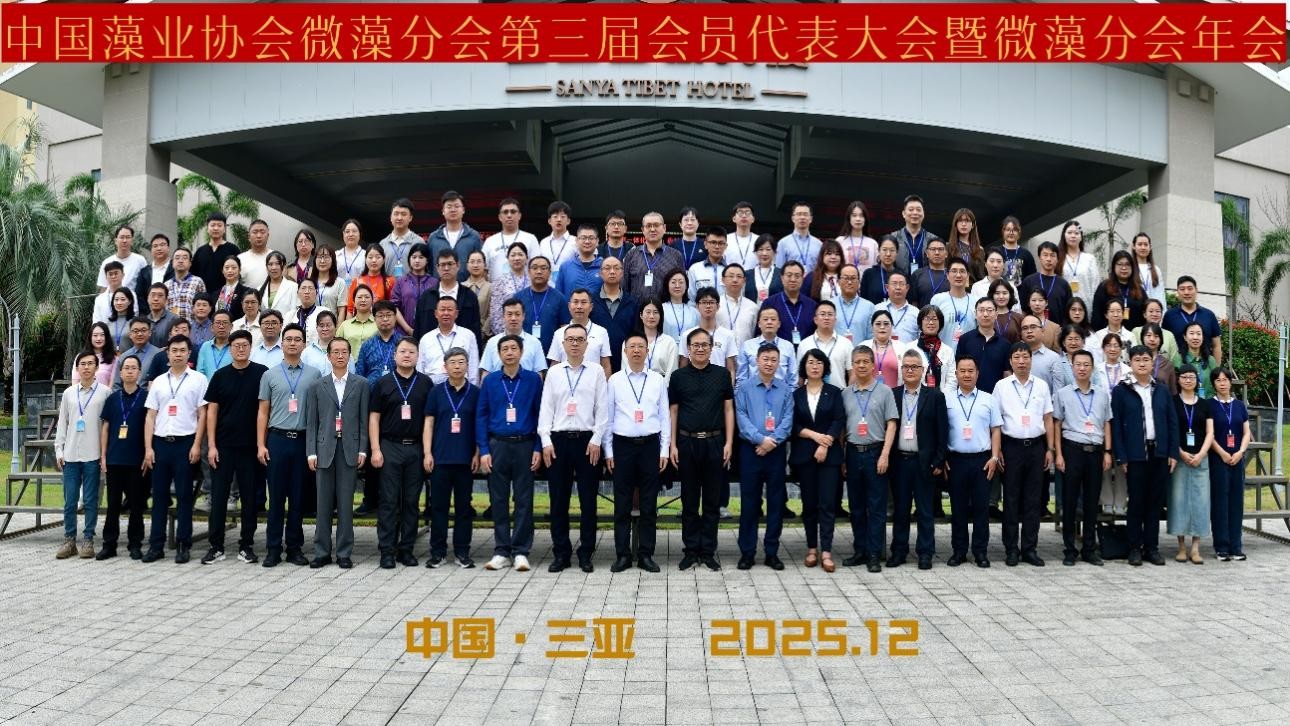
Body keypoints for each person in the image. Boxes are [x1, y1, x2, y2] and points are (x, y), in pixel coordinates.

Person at [539, 325, 610, 573]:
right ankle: (561, 553)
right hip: (558, 442)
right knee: (558, 501)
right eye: (571, 340)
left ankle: (586, 553)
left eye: (580, 340)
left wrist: (597, 438)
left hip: (587, 442)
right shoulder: (554, 372)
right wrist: (545, 441)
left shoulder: (596, 371)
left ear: (587, 344)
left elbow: (602, 408)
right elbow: (546, 409)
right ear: (563, 344)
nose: (575, 344)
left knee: (588, 501)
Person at [603, 333, 671, 572]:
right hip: (622, 447)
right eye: (631, 346)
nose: (636, 350)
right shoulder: (615, 380)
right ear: (625, 351)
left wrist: (664, 450)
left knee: (649, 504)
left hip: (650, 447)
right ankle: (622, 555)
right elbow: (608, 418)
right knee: (622, 504)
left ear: (647, 351)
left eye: (641, 346)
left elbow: (664, 416)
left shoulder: (657, 380)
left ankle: (646, 554)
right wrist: (608, 451)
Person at [669, 328, 735, 572]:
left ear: (711, 348)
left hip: (715, 442)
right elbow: (673, 411)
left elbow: (728, 409)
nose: (699, 349)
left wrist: (729, 443)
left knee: (711, 501)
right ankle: (690, 550)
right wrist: (672, 444)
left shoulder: (722, 375)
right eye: (695, 345)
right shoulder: (678, 377)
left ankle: (707, 551)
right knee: (688, 501)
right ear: (688, 349)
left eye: (704, 345)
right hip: (686, 443)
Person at [476, 335, 543, 572]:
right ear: (499, 354)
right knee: (499, 500)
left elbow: (540, 415)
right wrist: (484, 450)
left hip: (525, 445)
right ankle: (502, 551)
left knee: (524, 500)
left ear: (521, 352)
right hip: (498, 445)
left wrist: (538, 447)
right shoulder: (491, 381)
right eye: (505, 349)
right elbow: (481, 415)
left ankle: (521, 551)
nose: (510, 352)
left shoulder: (533, 380)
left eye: (514, 348)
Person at [201, 329, 268, 565]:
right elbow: (212, 412)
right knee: (219, 498)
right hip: (223, 446)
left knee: (249, 499)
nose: (240, 349)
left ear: (250, 348)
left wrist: (261, 444)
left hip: (250, 447)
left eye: (244, 345)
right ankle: (216, 546)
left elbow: (264, 410)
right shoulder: (220, 376)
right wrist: (211, 446)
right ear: (230, 349)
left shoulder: (261, 373)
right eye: (236, 345)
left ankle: (246, 545)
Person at [255, 324, 320, 568]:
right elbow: (263, 412)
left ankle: (294, 548)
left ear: (304, 344)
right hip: (277, 440)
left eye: (297, 339)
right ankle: (273, 549)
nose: (293, 343)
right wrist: (261, 445)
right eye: (289, 339)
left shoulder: (314, 374)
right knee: (276, 498)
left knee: (297, 498)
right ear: (282, 344)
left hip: (302, 441)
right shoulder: (269, 375)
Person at [1110, 344, 1180, 566]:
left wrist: (1172, 452)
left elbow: (1172, 422)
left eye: (1146, 360)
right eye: (1137, 360)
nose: (1142, 363)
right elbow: (1116, 427)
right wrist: (1121, 456)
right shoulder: (1122, 391)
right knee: (1136, 502)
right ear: (1130, 363)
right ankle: (1134, 548)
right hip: (1135, 455)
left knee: (1154, 503)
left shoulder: (1161, 389)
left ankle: (1152, 548)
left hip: (1159, 453)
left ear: (1153, 363)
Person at [141, 335, 208, 563]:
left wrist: (197, 444)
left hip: (185, 443)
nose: (178, 354)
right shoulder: (159, 381)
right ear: (167, 354)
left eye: (182, 350)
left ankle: (183, 545)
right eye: (174, 350)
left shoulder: (199, 380)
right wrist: (148, 448)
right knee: (159, 497)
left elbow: (202, 414)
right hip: (160, 444)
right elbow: (150, 416)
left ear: (189, 353)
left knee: (184, 496)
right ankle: (156, 546)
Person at [367, 338, 432, 569]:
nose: (407, 355)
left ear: (417, 356)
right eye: (402, 351)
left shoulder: (425, 383)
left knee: (411, 502)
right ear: (395, 355)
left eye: (411, 352)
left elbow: (429, 421)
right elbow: (373, 419)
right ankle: (387, 550)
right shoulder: (383, 383)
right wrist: (375, 449)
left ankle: (406, 549)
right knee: (389, 501)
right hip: (389, 446)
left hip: (415, 447)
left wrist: (427, 452)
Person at [733, 342, 794, 570]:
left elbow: (788, 420)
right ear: (757, 361)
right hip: (751, 451)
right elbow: (741, 417)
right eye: (765, 359)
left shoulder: (785, 390)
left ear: (778, 363)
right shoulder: (744, 388)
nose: (769, 363)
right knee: (750, 503)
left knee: (775, 504)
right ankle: (747, 552)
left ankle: (772, 552)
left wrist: (771, 442)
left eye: (773, 360)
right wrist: (760, 440)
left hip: (776, 452)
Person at [995, 342, 1055, 567]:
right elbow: (996, 421)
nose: (1021, 361)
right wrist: (997, 450)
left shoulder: (1041, 386)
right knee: (1011, 499)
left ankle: (1030, 548)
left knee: (1033, 500)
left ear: (1031, 360)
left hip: (1036, 447)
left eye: (1025, 357)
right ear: (1010, 361)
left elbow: (1048, 418)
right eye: (1017, 357)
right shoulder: (1001, 386)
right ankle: (1011, 549)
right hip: (1011, 447)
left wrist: (1050, 449)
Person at [420, 347, 480, 569]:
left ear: (467, 366)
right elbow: (428, 424)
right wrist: (427, 453)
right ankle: (438, 553)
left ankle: (462, 552)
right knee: (438, 508)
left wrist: (477, 453)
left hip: (465, 460)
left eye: (461, 362)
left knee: (464, 509)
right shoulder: (436, 392)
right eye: (452, 362)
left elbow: (479, 425)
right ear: (445, 367)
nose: (457, 366)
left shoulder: (475, 393)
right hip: (440, 459)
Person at [840, 344, 898, 572]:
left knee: (876, 507)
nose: (862, 365)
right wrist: (843, 457)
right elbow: (842, 429)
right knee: (856, 506)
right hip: (853, 453)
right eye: (857, 362)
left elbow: (891, 424)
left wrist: (885, 454)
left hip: (876, 452)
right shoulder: (846, 394)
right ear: (852, 366)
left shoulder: (885, 392)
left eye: (866, 361)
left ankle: (874, 553)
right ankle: (860, 551)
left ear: (873, 365)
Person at [1052, 349, 1113, 567]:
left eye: (1086, 365)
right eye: (1078, 364)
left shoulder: (1102, 394)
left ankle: (1089, 548)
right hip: (1072, 450)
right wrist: (1058, 454)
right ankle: (1070, 549)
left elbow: (1107, 423)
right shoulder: (1063, 394)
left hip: (1095, 451)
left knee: (1091, 502)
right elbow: (1057, 424)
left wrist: (1108, 451)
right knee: (1069, 502)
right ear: (1072, 367)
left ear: (1092, 368)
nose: (1082, 368)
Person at [889, 350, 948, 570]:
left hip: (924, 463)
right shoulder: (893, 395)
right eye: (906, 366)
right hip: (900, 462)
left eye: (914, 366)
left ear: (923, 370)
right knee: (901, 510)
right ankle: (899, 551)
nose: (910, 370)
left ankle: (925, 553)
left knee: (925, 510)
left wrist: (938, 461)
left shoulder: (935, 396)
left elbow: (943, 432)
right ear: (901, 370)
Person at [789, 349, 845, 572]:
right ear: (804, 366)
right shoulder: (796, 395)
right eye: (811, 362)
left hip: (829, 456)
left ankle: (827, 551)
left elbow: (839, 420)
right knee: (809, 504)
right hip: (805, 456)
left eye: (819, 363)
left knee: (828, 504)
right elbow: (793, 425)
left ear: (825, 367)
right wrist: (814, 436)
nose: (815, 366)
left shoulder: (834, 392)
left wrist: (825, 443)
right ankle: (812, 548)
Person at [944, 355, 1003, 567]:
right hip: (956, 460)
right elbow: (941, 430)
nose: (967, 374)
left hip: (982, 461)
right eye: (962, 371)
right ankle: (959, 551)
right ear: (956, 374)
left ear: (977, 374)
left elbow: (996, 430)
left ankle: (980, 552)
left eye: (971, 371)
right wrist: (943, 457)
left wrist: (994, 457)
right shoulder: (946, 399)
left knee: (981, 509)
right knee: (958, 508)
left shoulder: (989, 399)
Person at [54, 351, 111, 560]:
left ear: (96, 367)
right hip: (70, 455)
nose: (86, 367)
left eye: (90, 364)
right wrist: (59, 449)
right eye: (82, 364)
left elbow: (107, 426)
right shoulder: (69, 393)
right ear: (77, 369)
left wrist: (104, 454)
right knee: (70, 501)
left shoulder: (105, 393)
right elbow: (62, 423)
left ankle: (88, 539)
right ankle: (69, 540)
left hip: (93, 455)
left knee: (90, 500)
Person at [96, 355, 149, 560]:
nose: (129, 371)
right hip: (114, 459)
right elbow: (106, 427)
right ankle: (109, 545)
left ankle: (135, 544)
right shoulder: (112, 398)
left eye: (133, 368)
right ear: (120, 372)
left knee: (136, 505)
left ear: (139, 372)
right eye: (126, 368)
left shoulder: (146, 397)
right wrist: (103, 455)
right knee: (113, 505)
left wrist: (147, 452)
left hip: (136, 461)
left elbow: (150, 427)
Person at [1169, 364, 1212, 565]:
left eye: (1192, 377)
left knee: (1200, 502)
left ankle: (1195, 547)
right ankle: (1181, 546)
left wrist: (1201, 454)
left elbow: (1210, 432)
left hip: (1201, 459)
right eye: (1184, 377)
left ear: (1197, 380)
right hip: (1179, 458)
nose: (1188, 380)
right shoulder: (1173, 402)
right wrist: (1181, 452)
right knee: (1179, 500)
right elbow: (1170, 430)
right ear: (1178, 380)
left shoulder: (1205, 404)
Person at [1209, 367, 1250, 562]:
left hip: (1237, 459)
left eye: (1225, 379)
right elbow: (1210, 435)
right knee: (1220, 503)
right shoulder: (1210, 405)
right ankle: (1222, 547)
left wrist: (1240, 452)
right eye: (1218, 380)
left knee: (1236, 503)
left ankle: (1236, 546)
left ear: (1231, 382)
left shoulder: (1239, 405)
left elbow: (1246, 432)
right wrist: (1223, 453)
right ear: (1214, 384)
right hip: (1219, 459)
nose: (1222, 383)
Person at [414, 250, 482, 343]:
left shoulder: (469, 296)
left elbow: (476, 330)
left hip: (462, 348)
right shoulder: (426, 297)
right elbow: (418, 329)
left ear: (458, 266)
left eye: (450, 264)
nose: (446, 268)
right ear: (437, 268)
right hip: (433, 348)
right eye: (442, 265)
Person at [548, 289, 612, 378]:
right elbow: (554, 364)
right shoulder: (559, 333)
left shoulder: (601, 332)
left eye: (583, 302)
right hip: (565, 384)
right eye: (575, 302)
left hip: (593, 384)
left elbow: (606, 365)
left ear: (591, 307)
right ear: (569, 306)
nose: (579, 306)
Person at [591, 256, 640, 372]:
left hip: (625, 363)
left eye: (616, 268)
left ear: (622, 273)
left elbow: (636, 333)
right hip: (596, 363)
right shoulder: (591, 301)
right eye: (607, 268)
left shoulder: (632, 302)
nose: (612, 272)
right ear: (600, 273)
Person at [480, 297, 548, 379]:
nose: (513, 318)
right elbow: (486, 373)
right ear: (503, 316)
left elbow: (539, 374)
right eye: (509, 314)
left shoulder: (534, 343)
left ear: (523, 316)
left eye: (517, 314)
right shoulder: (492, 342)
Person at [625, 211, 685, 300]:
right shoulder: (631, 254)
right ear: (642, 229)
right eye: (648, 226)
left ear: (664, 228)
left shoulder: (676, 256)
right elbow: (625, 287)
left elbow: (682, 287)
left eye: (656, 225)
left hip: (666, 308)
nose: (652, 229)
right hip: (636, 308)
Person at [683, 287, 739, 381]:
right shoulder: (687, 335)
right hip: (693, 385)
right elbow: (683, 366)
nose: (708, 306)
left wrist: (730, 388)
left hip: (719, 385)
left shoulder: (728, 335)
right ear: (697, 306)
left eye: (711, 302)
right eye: (704, 302)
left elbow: (731, 369)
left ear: (718, 306)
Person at [426, 191, 484, 281]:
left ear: (463, 210)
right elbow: (429, 267)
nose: (453, 210)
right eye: (449, 207)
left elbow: (480, 265)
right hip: (439, 287)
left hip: (467, 287)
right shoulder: (434, 238)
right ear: (443, 211)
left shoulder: (473, 236)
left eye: (457, 206)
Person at [516, 255, 568, 354]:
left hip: (551, 353)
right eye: (535, 268)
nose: (539, 271)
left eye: (543, 268)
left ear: (550, 273)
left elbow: (564, 329)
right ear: (529, 272)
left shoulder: (559, 298)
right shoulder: (518, 298)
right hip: (523, 353)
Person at [797, 300, 852, 390]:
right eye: (822, 314)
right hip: (810, 394)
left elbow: (852, 373)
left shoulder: (846, 343)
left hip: (838, 393)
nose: (826, 318)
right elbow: (800, 376)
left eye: (830, 314)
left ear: (835, 319)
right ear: (815, 319)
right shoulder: (804, 344)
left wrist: (848, 394)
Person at [736, 307, 796, 388]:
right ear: (759, 324)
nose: (769, 322)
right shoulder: (747, 346)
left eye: (773, 319)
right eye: (765, 319)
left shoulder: (788, 346)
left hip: (781, 393)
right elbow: (741, 378)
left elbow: (793, 379)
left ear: (779, 324)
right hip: (753, 393)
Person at [483, 198, 540, 282]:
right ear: (500, 217)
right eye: (505, 212)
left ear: (519, 216)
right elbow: (483, 270)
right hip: (496, 289)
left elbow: (537, 266)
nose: (509, 215)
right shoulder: (490, 241)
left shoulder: (530, 239)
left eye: (513, 212)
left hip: (524, 289)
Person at [1018, 241, 1072, 326]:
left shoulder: (1064, 284)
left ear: (1057, 259)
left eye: (1052, 255)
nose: (1049, 259)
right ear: (1039, 258)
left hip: (1058, 330)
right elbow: (1023, 310)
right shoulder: (1028, 281)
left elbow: (1068, 312)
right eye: (1045, 255)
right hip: (1032, 329)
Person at [762, 261, 816, 345]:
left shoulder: (812, 305)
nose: (793, 279)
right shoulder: (769, 303)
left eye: (797, 276)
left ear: (802, 279)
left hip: (806, 351)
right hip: (778, 350)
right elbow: (760, 332)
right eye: (789, 275)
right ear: (782, 278)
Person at [1091, 251, 1147, 331]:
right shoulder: (1104, 287)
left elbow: (1145, 313)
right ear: (1114, 266)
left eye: (1127, 264)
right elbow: (1097, 315)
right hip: (1109, 335)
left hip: (1134, 335)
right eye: (1120, 264)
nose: (1124, 268)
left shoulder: (1139, 289)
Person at [390, 244, 438, 337]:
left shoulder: (434, 283)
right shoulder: (401, 282)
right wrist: (408, 329)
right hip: (403, 333)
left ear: (427, 260)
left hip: (429, 333)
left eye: (421, 257)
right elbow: (394, 307)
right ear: (409, 259)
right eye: (414, 257)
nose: (417, 260)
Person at [929, 258, 976, 349]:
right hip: (943, 353)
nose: (958, 275)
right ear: (947, 275)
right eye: (954, 271)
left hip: (969, 354)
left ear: (968, 275)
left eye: (962, 271)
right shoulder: (937, 300)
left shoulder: (976, 301)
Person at [912, 305, 956, 397]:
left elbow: (952, 380)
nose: (931, 322)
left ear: (940, 323)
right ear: (920, 322)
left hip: (942, 398)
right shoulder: (910, 348)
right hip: (916, 398)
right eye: (927, 319)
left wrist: (942, 398)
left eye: (935, 319)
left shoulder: (948, 351)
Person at [192, 212, 240, 295]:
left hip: (226, 296)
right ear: (207, 228)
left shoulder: (233, 250)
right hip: (203, 298)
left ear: (224, 229)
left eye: (219, 225)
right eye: (213, 225)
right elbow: (194, 275)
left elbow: (239, 274)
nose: (216, 228)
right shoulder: (200, 251)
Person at [631, 299, 681, 380]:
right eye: (648, 312)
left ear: (660, 316)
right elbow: (625, 369)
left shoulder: (669, 342)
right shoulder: (631, 341)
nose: (651, 316)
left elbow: (672, 372)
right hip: (636, 383)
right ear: (641, 315)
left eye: (655, 312)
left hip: (662, 384)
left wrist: (663, 386)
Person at [488, 242, 531, 336]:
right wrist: (504, 335)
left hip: (530, 330)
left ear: (527, 258)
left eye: (520, 254)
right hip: (507, 334)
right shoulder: (500, 281)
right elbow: (495, 312)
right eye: (513, 255)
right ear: (507, 258)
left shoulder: (532, 281)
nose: (517, 258)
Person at [892, 195, 941, 274]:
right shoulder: (894, 238)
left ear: (923, 213)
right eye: (911, 210)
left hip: (926, 281)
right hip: (900, 281)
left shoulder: (933, 239)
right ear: (903, 213)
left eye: (918, 210)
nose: (915, 213)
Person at [355, 300, 404, 380]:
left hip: (398, 386)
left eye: (388, 315)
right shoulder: (367, 345)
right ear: (374, 319)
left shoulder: (403, 343)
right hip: (372, 387)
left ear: (395, 317)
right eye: (381, 316)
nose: (385, 319)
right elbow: (359, 375)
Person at [858, 310, 906, 388]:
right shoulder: (862, 346)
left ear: (891, 326)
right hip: (868, 393)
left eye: (886, 324)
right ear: (872, 327)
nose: (882, 327)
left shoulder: (902, 347)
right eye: (878, 324)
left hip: (895, 393)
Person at [344, 244, 395, 318]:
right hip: (359, 323)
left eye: (378, 257)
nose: (374, 260)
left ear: (383, 260)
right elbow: (350, 310)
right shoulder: (357, 281)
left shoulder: (390, 281)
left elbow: (393, 308)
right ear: (365, 259)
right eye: (370, 257)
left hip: (381, 322)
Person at [716, 264, 761, 348]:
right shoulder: (715, 305)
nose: (735, 280)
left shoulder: (753, 307)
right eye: (731, 276)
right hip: (720, 352)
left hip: (746, 353)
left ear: (744, 281)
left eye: (739, 276)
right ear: (723, 280)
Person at [1172, 322, 1220, 398]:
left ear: (1203, 337)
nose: (1195, 337)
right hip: (1186, 402)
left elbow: (1216, 383)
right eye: (1191, 333)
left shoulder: (1210, 360)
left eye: (1198, 334)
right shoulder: (1178, 359)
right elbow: (1174, 385)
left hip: (1208, 403)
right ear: (1185, 337)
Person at [556, 223, 604, 300]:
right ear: (577, 240)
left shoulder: (605, 266)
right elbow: (558, 296)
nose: (587, 241)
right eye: (583, 238)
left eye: (591, 238)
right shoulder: (565, 267)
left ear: (597, 241)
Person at [1056, 221, 1099, 306]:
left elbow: (1095, 285)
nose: (1073, 236)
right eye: (1069, 232)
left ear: (1081, 237)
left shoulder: (1089, 259)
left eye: (1076, 233)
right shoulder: (1057, 258)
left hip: (1086, 306)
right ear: (1064, 235)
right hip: (1064, 306)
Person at [379, 197, 422, 277]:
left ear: (410, 218)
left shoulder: (418, 242)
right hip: (389, 285)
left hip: (412, 285)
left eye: (403, 214)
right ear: (391, 217)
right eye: (396, 214)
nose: (399, 218)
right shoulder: (383, 244)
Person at [1087, 298, 1139, 365]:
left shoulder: (1130, 336)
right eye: (1112, 311)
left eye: (1118, 311)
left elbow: (1135, 358)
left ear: (1123, 314)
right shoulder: (1098, 335)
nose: (1115, 315)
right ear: (1106, 315)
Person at [114, 318, 162, 388]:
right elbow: (116, 384)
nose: (139, 334)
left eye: (143, 330)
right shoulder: (124, 356)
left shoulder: (158, 354)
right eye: (136, 331)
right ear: (130, 334)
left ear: (150, 333)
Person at [833, 264, 875, 345]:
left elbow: (872, 337)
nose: (849, 282)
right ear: (838, 282)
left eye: (853, 278)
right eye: (846, 278)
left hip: (861, 351)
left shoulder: (869, 307)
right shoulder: (830, 305)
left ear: (859, 282)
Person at [97, 224, 147, 292]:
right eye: (122, 237)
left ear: (132, 241)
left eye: (128, 237)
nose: (124, 240)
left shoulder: (140, 261)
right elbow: (103, 288)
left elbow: (145, 286)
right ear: (116, 241)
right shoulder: (107, 262)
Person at [775, 201, 822, 271]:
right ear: (793, 218)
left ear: (811, 219)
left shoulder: (819, 244)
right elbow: (779, 269)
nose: (802, 217)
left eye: (805, 214)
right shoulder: (783, 243)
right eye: (799, 214)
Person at [874, 271, 919, 343]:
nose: (898, 287)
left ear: (907, 288)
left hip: (908, 350)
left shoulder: (916, 312)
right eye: (894, 284)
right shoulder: (877, 309)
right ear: (887, 287)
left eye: (901, 284)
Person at [163, 246, 205, 320]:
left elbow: (204, 307)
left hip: (191, 325)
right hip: (170, 326)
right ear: (172, 263)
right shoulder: (166, 285)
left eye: (185, 258)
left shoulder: (198, 282)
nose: (180, 261)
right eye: (177, 258)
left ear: (190, 263)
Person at [539, 200, 578, 280]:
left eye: (562, 216)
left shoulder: (576, 241)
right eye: (555, 216)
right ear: (549, 221)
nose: (559, 219)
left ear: (568, 221)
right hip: (547, 285)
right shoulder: (543, 242)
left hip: (569, 284)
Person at [133, 233, 173, 310]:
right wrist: (148, 314)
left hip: (172, 313)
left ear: (168, 248)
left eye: (162, 245)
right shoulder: (144, 272)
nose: (159, 248)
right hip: (149, 314)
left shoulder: (175, 269)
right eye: (155, 246)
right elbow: (139, 295)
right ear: (151, 250)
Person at [993, 216, 1035, 288]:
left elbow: (1032, 279)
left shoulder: (1026, 254)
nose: (1011, 233)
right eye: (1008, 230)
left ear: (1019, 232)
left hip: (1021, 294)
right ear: (1003, 232)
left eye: (1014, 230)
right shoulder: (995, 252)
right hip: (999, 292)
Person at [337, 285, 379, 358]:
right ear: (353, 302)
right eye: (359, 297)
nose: (363, 300)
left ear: (372, 301)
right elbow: (336, 346)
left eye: (367, 297)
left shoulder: (379, 324)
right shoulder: (345, 325)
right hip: (350, 364)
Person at [838, 200, 880, 274]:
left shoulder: (873, 243)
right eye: (854, 215)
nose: (858, 219)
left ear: (865, 219)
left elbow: (877, 269)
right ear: (849, 218)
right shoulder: (840, 241)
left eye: (861, 215)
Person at [660, 269, 699, 346]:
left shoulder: (694, 312)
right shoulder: (660, 309)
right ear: (667, 285)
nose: (677, 286)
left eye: (681, 282)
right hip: (666, 349)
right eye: (673, 282)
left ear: (686, 286)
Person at [909, 237, 950, 308]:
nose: (937, 253)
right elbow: (913, 302)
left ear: (946, 253)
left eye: (940, 249)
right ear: (927, 253)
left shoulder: (952, 274)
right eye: (933, 249)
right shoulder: (917, 274)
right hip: (923, 314)